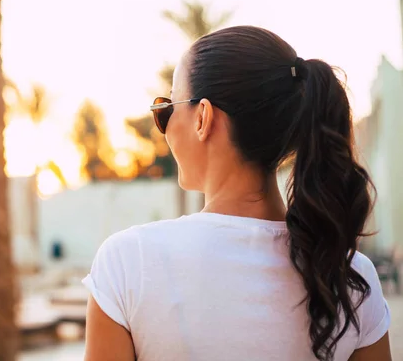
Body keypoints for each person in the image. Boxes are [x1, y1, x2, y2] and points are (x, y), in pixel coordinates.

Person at [82, 26, 391, 361]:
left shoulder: (128, 264)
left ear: (202, 117)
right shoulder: (350, 278)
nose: (165, 125)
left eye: (168, 107)